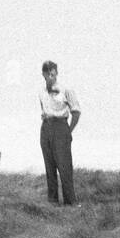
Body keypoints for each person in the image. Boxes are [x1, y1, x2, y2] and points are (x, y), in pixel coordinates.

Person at [39, 60, 81, 206]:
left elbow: (76, 112)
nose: (52, 77)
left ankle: (71, 201)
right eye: (49, 74)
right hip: (46, 128)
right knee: (49, 165)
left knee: (64, 166)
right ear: (44, 74)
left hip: (61, 127)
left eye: (54, 75)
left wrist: (68, 131)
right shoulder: (42, 91)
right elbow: (43, 109)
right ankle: (53, 200)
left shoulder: (66, 89)